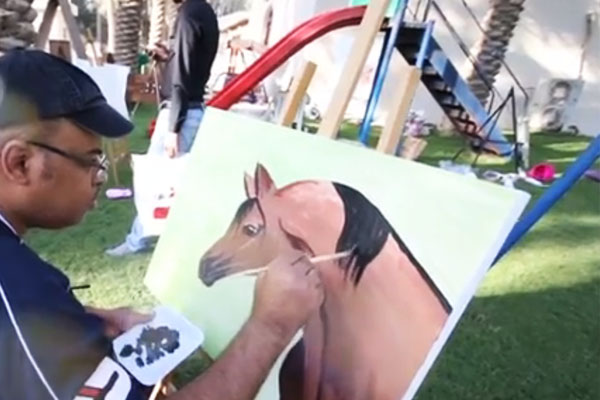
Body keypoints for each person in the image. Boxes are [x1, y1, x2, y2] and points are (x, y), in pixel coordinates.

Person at [0, 49, 323, 400]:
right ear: (20, 163)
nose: (100, 178)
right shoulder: (16, 291)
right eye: (92, 161)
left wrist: (82, 319)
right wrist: (270, 326)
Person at [106, 0, 219, 256]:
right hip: (191, 109)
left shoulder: (189, 14)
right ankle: (160, 241)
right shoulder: (202, 11)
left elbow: (183, 76)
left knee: (155, 183)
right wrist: (169, 56)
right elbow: (190, 64)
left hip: (182, 113)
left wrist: (173, 128)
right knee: (176, 184)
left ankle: (138, 242)